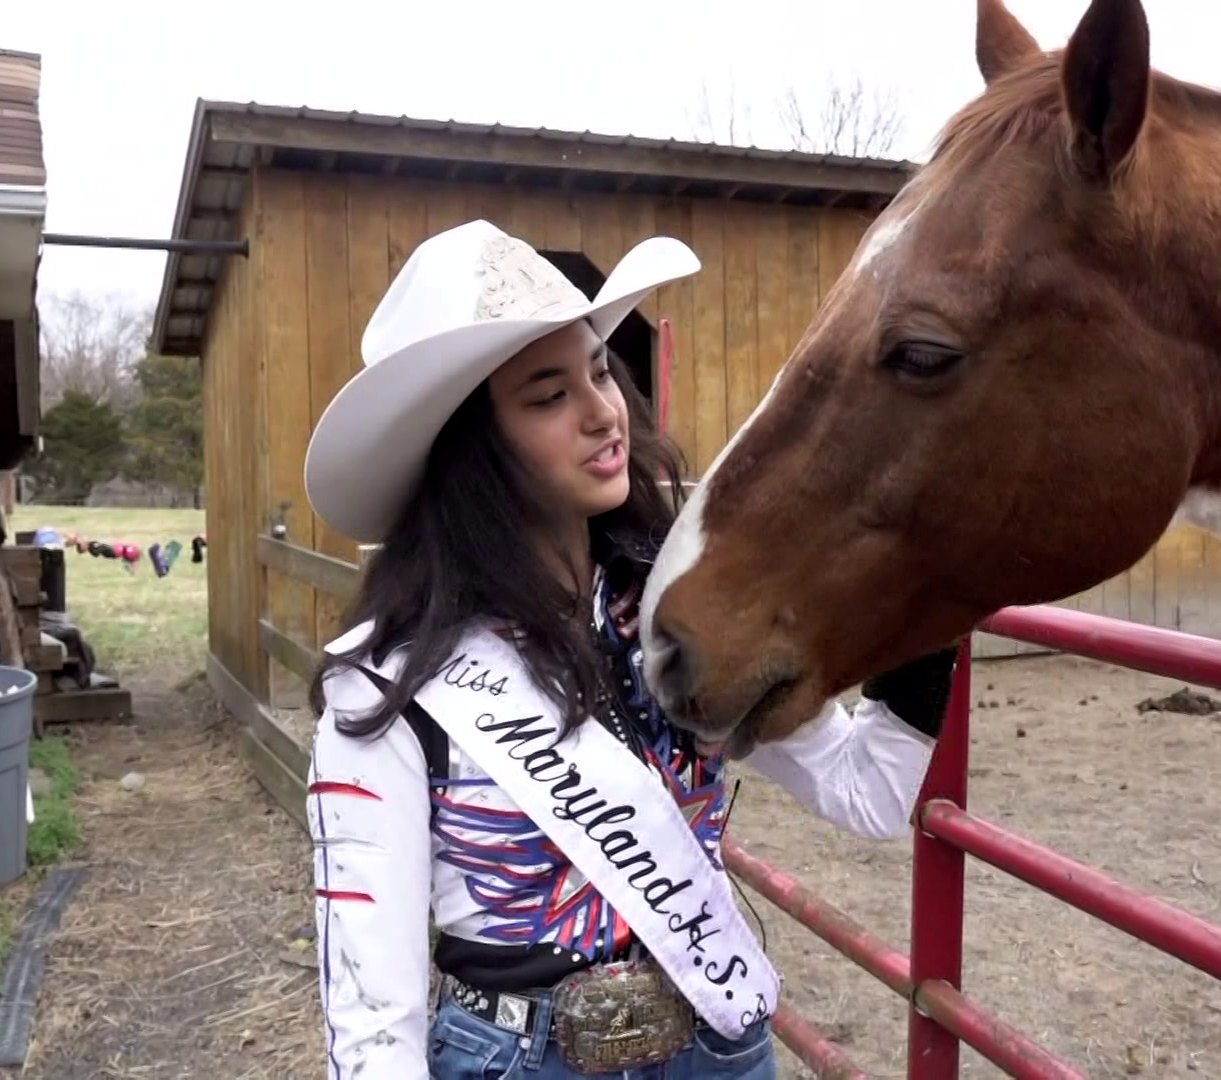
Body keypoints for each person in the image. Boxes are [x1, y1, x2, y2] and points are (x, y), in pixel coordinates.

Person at [301, 219, 959, 1080]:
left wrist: (939, 592)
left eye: (600, 371)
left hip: (719, 1051)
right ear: (470, 450)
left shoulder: (676, 620)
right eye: (549, 396)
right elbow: (373, 1027)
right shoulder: (389, 687)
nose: (603, 412)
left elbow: (865, 789)